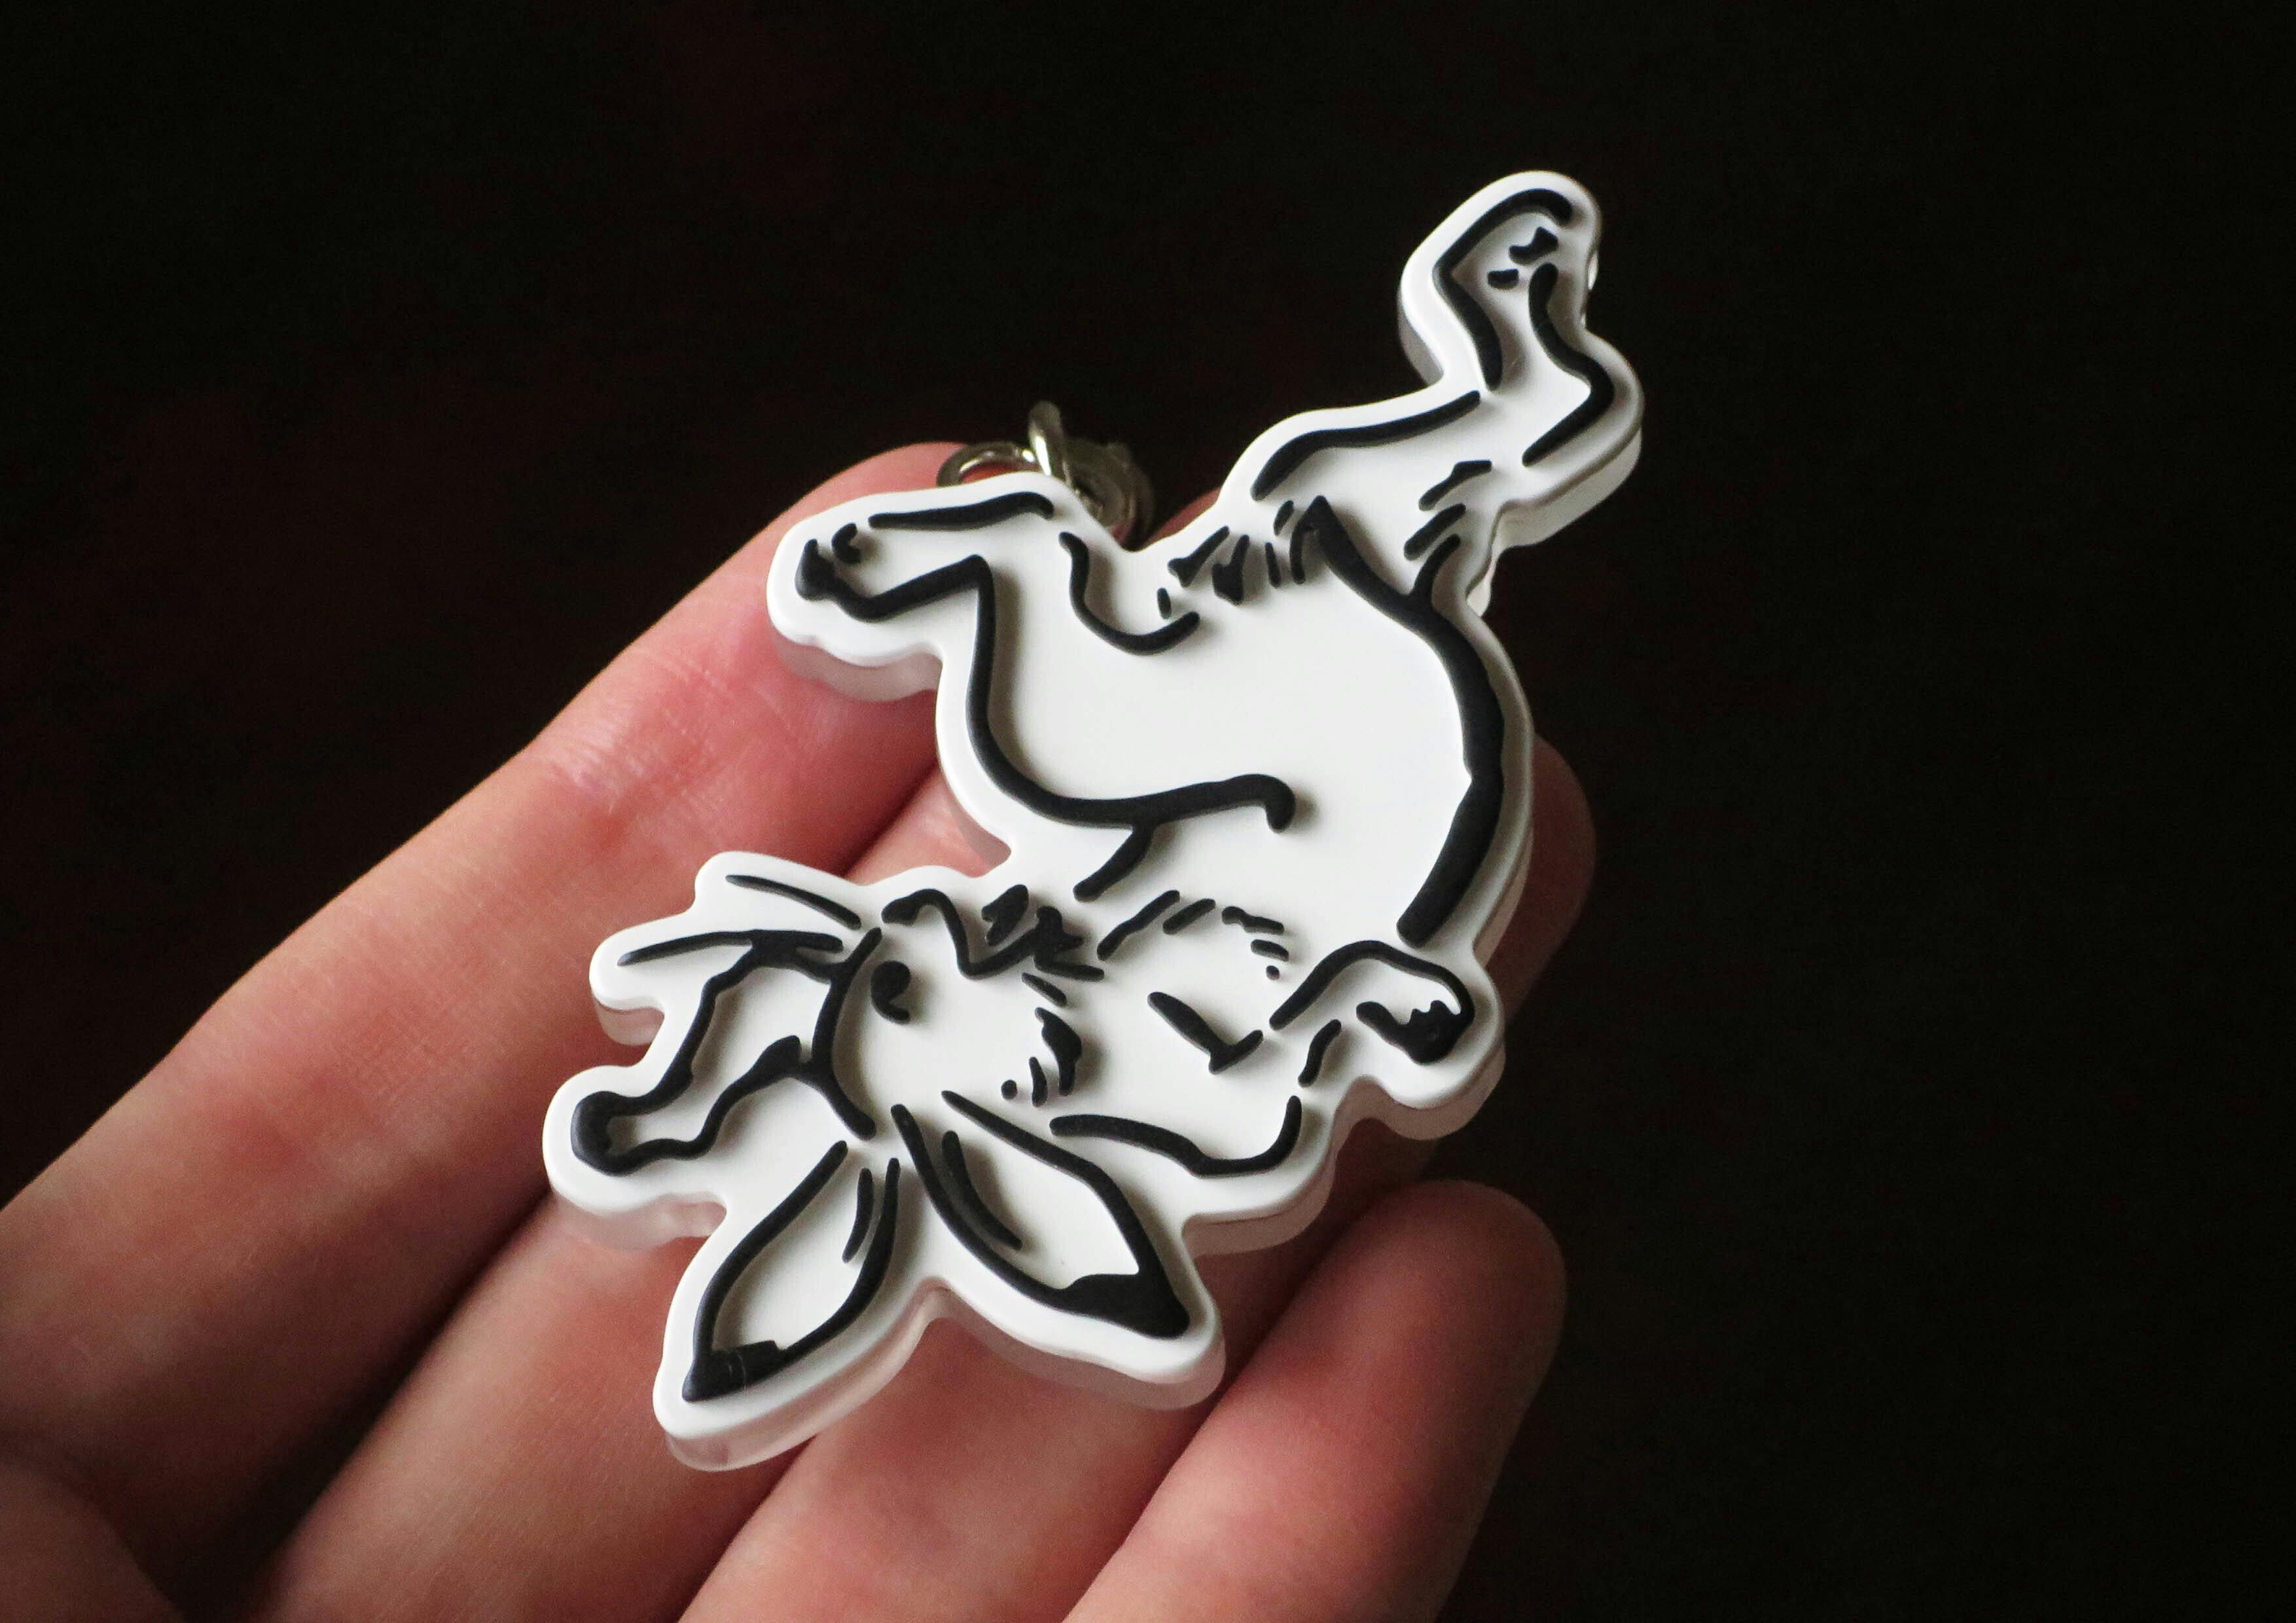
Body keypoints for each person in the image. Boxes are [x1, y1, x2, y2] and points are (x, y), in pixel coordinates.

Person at [0, 443, 1594, 1622]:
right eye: (910, 981)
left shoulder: (1103, 933)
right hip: (1341, 805)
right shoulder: (1192, 1072)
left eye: (893, 965)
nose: (935, 929)